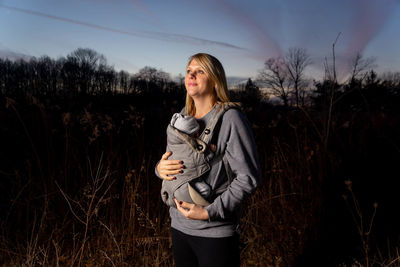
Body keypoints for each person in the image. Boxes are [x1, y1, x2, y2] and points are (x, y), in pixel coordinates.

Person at [156, 53, 260, 267]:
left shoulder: (230, 118)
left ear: (214, 80)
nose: (191, 75)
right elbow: (174, 165)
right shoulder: (183, 117)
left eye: (200, 71)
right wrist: (159, 168)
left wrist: (208, 212)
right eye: (188, 71)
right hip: (179, 227)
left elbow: (248, 178)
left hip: (215, 234)